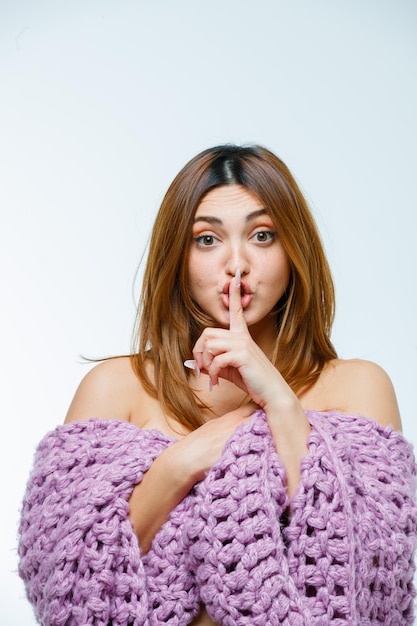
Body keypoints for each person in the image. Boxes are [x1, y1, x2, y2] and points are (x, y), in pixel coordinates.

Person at [18, 145, 417, 625]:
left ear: (294, 251)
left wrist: (278, 400)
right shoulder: (114, 388)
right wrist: (182, 461)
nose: (236, 263)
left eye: (263, 235)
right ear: (179, 257)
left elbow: (376, 575)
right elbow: (66, 582)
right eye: (207, 239)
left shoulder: (357, 386)